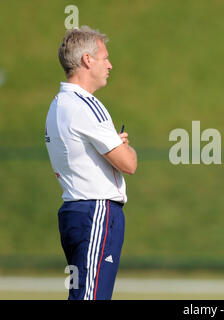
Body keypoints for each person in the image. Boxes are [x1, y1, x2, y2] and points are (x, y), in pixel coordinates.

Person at [45, 26, 137, 300]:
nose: (110, 65)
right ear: (87, 60)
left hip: (75, 210)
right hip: (96, 210)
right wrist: (124, 145)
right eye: (105, 57)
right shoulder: (86, 105)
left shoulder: (58, 104)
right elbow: (128, 164)